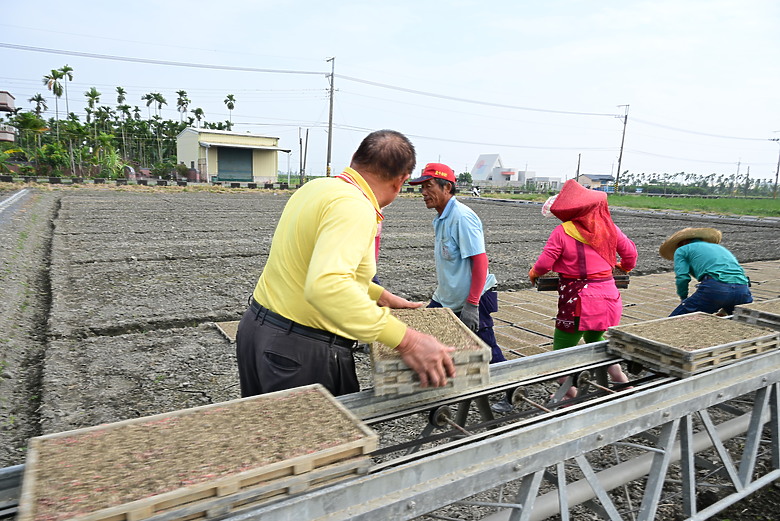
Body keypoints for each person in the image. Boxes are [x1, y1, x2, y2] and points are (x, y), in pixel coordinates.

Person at [236, 130, 456, 398]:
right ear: (401, 181)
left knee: (270, 433)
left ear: (354, 159)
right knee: (315, 439)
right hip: (299, 352)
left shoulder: (317, 188)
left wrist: (379, 295)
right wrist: (408, 340)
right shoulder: (355, 207)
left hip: (257, 332)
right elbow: (327, 286)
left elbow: (309, 263)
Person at [529, 180, 637, 401]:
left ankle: (570, 395)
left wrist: (533, 273)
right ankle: (623, 385)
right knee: (596, 340)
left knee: (560, 354)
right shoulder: (610, 229)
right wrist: (623, 267)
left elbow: (544, 264)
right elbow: (631, 256)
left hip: (578, 302)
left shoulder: (563, 232)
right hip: (609, 299)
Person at [409, 162, 507, 366]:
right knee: (426, 337)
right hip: (447, 298)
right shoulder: (441, 217)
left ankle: (512, 391)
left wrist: (472, 304)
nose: (423, 193)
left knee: (488, 353)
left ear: (447, 188)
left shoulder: (462, 217)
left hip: (473, 298)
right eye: (422, 187)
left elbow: (480, 261)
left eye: (429, 186)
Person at [659, 227, 752, 316]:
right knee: (742, 324)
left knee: (674, 322)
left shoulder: (682, 249)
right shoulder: (719, 248)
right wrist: (726, 308)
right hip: (743, 290)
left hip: (715, 289)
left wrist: (684, 298)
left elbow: (682, 277)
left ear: (683, 242)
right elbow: (732, 276)